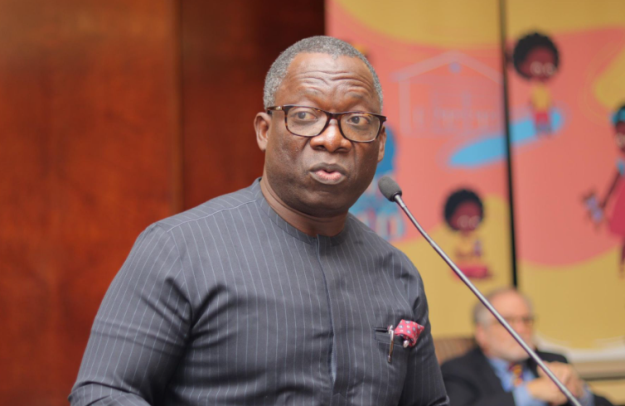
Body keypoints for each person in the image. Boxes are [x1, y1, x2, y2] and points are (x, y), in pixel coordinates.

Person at [69, 36, 449, 406]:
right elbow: (102, 393)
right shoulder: (177, 249)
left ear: (380, 144)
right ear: (265, 131)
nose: (333, 139)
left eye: (357, 120)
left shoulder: (397, 274)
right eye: (305, 116)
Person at [440, 288, 613, 406]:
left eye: (526, 320)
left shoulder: (553, 360)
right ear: (481, 333)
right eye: (507, 321)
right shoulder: (457, 370)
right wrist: (529, 392)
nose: (521, 329)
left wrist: (579, 392)